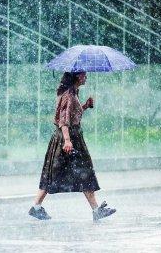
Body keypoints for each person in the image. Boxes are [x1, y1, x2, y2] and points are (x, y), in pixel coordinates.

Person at [28, 72, 116, 222]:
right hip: (67, 139)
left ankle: (95, 210)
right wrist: (67, 141)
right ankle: (36, 207)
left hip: (71, 137)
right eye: (84, 75)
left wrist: (85, 106)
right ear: (77, 77)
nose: (86, 77)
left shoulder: (73, 93)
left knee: (67, 173)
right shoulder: (69, 94)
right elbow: (63, 120)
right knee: (70, 173)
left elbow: (71, 115)